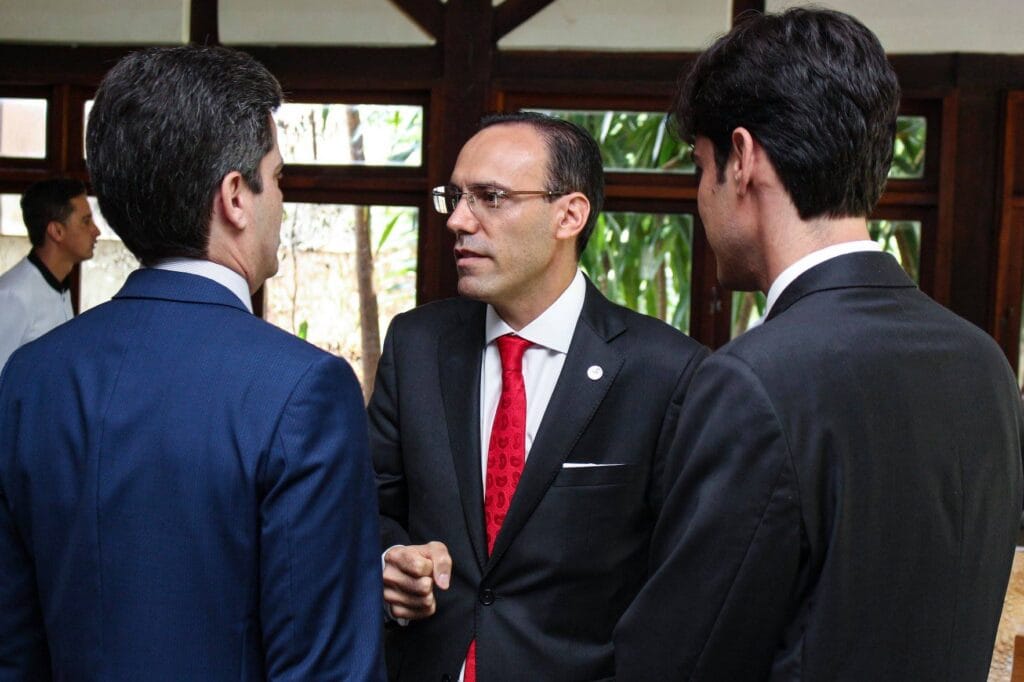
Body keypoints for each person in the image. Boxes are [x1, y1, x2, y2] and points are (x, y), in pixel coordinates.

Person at [613, 8, 1024, 680]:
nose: (700, 197)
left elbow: (678, 659)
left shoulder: (753, 380)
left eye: (701, 166)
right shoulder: (982, 360)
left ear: (742, 160)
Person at [0, 46, 384, 680]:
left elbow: (14, 647)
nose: (281, 202)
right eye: (279, 178)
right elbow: (328, 667)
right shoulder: (302, 390)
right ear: (235, 196)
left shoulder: (30, 377)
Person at [369, 111, 708, 681]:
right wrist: (390, 560)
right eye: (455, 197)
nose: (458, 221)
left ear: (569, 215)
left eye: (490, 198)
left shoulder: (665, 371)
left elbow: (683, 581)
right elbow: (367, 506)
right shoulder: (416, 345)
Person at [0, 177, 99, 369]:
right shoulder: (12, 296)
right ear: (57, 231)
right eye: (86, 221)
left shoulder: (60, 286)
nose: (96, 231)